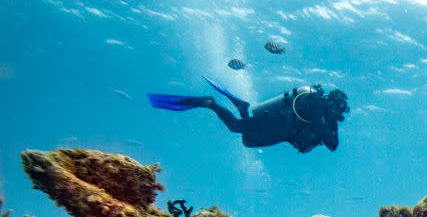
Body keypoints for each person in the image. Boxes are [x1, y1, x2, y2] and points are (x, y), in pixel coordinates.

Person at [147, 76, 349, 153]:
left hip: (282, 133)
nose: (341, 113)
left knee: (247, 142)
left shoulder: (328, 117)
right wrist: (329, 126)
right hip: (276, 122)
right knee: (234, 127)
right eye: (341, 107)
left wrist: (332, 125)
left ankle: (242, 106)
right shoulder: (317, 106)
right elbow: (327, 138)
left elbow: (333, 145)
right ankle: (210, 103)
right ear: (334, 102)